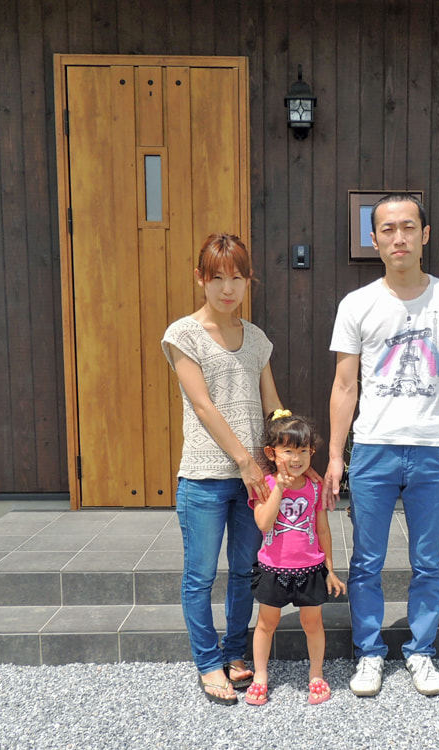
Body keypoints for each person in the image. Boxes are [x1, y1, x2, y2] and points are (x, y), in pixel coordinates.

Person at [323, 193, 439, 698]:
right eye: (387, 229)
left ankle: (420, 651)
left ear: (425, 235)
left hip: (431, 446)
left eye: (408, 227)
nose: (399, 238)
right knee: (367, 561)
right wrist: (335, 456)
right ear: (374, 240)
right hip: (373, 448)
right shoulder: (357, 304)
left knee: (428, 560)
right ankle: (369, 653)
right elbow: (344, 385)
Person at [162, 233, 287, 706]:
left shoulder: (256, 339)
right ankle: (208, 661)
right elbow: (203, 405)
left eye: (237, 277)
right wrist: (245, 461)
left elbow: (272, 404)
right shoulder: (183, 335)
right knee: (199, 575)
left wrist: (292, 451)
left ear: (248, 279)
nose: (228, 288)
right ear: (201, 279)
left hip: (252, 479)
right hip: (205, 477)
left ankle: (235, 652)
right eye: (217, 278)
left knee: (244, 572)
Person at [244, 411, 346, 707]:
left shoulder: (315, 487)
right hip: (273, 569)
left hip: (310, 568)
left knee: (313, 623)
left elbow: (323, 530)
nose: (296, 458)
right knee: (266, 623)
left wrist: (329, 569)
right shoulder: (264, 485)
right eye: (288, 451)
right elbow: (264, 523)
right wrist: (280, 488)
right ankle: (260, 675)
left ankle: (316, 674)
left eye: (303, 451)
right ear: (271, 453)